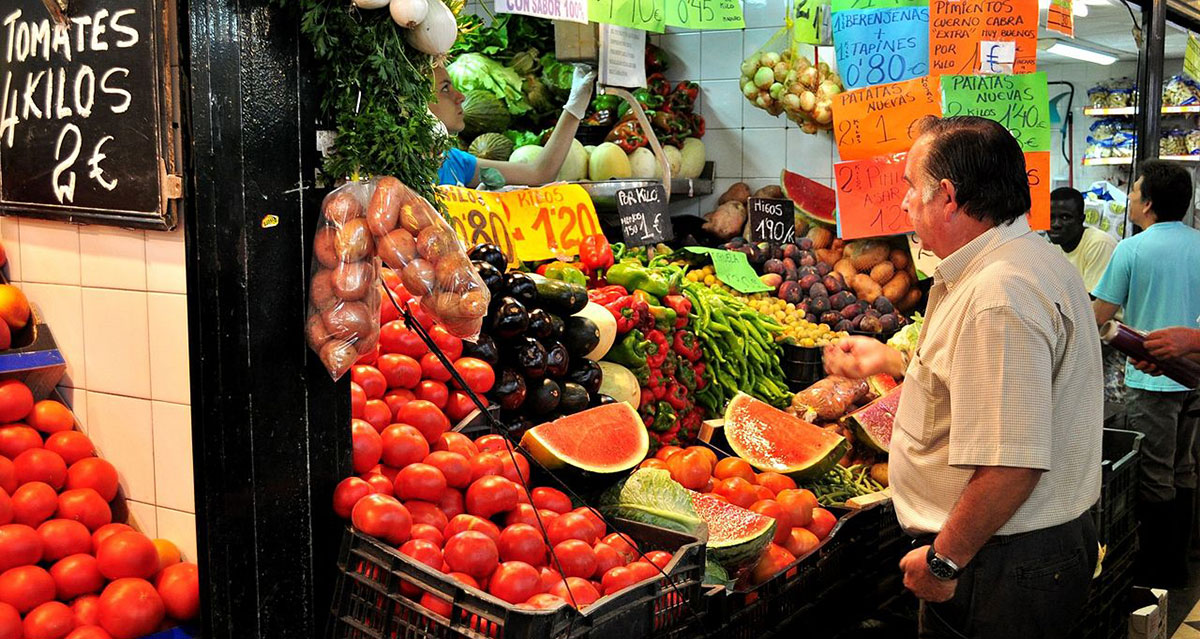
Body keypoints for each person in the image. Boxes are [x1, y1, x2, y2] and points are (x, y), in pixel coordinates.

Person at [824, 115, 1102, 638]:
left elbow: (1011, 465)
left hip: (1000, 563)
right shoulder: (1028, 259)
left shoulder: (998, 294)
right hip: (1019, 550)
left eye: (910, 186)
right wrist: (889, 361)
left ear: (947, 196)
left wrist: (944, 561)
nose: (904, 202)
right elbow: (981, 379)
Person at [1093, 160, 1200, 587]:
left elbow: (1099, 316)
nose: (1131, 200)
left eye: (1135, 193)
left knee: (1154, 474)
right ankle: (1181, 562)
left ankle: (1159, 568)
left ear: (1149, 203)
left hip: (1150, 378)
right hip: (1195, 378)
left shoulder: (1130, 249)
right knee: (1185, 466)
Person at [430, 63, 595, 188]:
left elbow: (539, 174)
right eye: (445, 89)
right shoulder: (404, 173)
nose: (460, 97)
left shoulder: (453, 161)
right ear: (417, 102)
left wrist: (575, 107)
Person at [1048, 187, 1117, 293]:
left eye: (1065, 217)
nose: (1056, 224)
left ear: (1081, 219)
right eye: (1050, 217)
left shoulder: (1099, 244)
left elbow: (1090, 301)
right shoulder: (1053, 248)